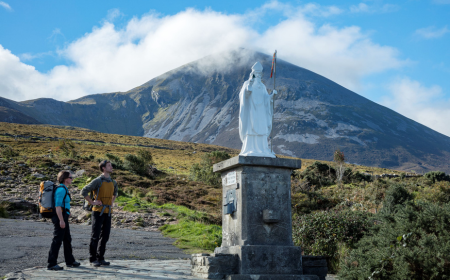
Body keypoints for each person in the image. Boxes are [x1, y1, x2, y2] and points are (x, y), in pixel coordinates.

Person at [81, 160, 118, 267]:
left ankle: (100, 258)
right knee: (95, 236)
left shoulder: (113, 182)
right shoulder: (97, 181)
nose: (111, 167)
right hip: (97, 212)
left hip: (108, 212)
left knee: (105, 236)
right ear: (103, 168)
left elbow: (115, 193)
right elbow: (84, 191)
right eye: (109, 166)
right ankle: (92, 259)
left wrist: (112, 202)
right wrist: (92, 202)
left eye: (111, 165)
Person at [239, 61, 277, 157]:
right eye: (257, 73)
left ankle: (263, 149)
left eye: (260, 74)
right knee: (251, 128)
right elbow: (244, 96)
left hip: (261, 112)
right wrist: (249, 86)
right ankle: (250, 148)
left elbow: (265, 99)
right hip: (252, 111)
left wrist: (271, 96)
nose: (259, 75)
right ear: (253, 74)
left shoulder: (263, 86)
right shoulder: (247, 83)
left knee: (262, 129)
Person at [47, 170, 80, 270]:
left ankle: (70, 261)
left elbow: (63, 205)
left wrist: (67, 213)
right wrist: (61, 220)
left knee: (67, 239)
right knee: (57, 240)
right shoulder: (61, 189)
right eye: (70, 177)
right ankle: (51, 264)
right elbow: (57, 206)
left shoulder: (64, 189)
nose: (71, 179)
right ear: (65, 179)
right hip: (59, 217)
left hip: (63, 216)